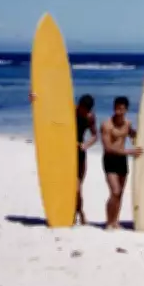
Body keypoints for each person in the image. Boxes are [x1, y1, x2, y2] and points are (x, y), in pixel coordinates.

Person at [27, 91, 97, 225]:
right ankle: (71, 213)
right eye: (82, 109)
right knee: (67, 186)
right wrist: (35, 100)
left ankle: (79, 211)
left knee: (78, 189)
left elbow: (95, 135)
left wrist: (86, 145)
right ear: (79, 105)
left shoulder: (90, 117)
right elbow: (49, 111)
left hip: (79, 153)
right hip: (64, 152)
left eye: (87, 110)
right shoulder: (69, 111)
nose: (84, 112)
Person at [100, 96, 142, 230]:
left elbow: (133, 135)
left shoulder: (127, 124)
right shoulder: (107, 125)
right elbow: (108, 148)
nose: (119, 111)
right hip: (110, 160)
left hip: (122, 160)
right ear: (114, 108)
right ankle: (109, 222)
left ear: (126, 110)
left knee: (120, 193)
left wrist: (140, 138)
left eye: (122, 109)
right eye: (117, 108)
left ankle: (115, 221)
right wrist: (129, 152)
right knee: (115, 191)